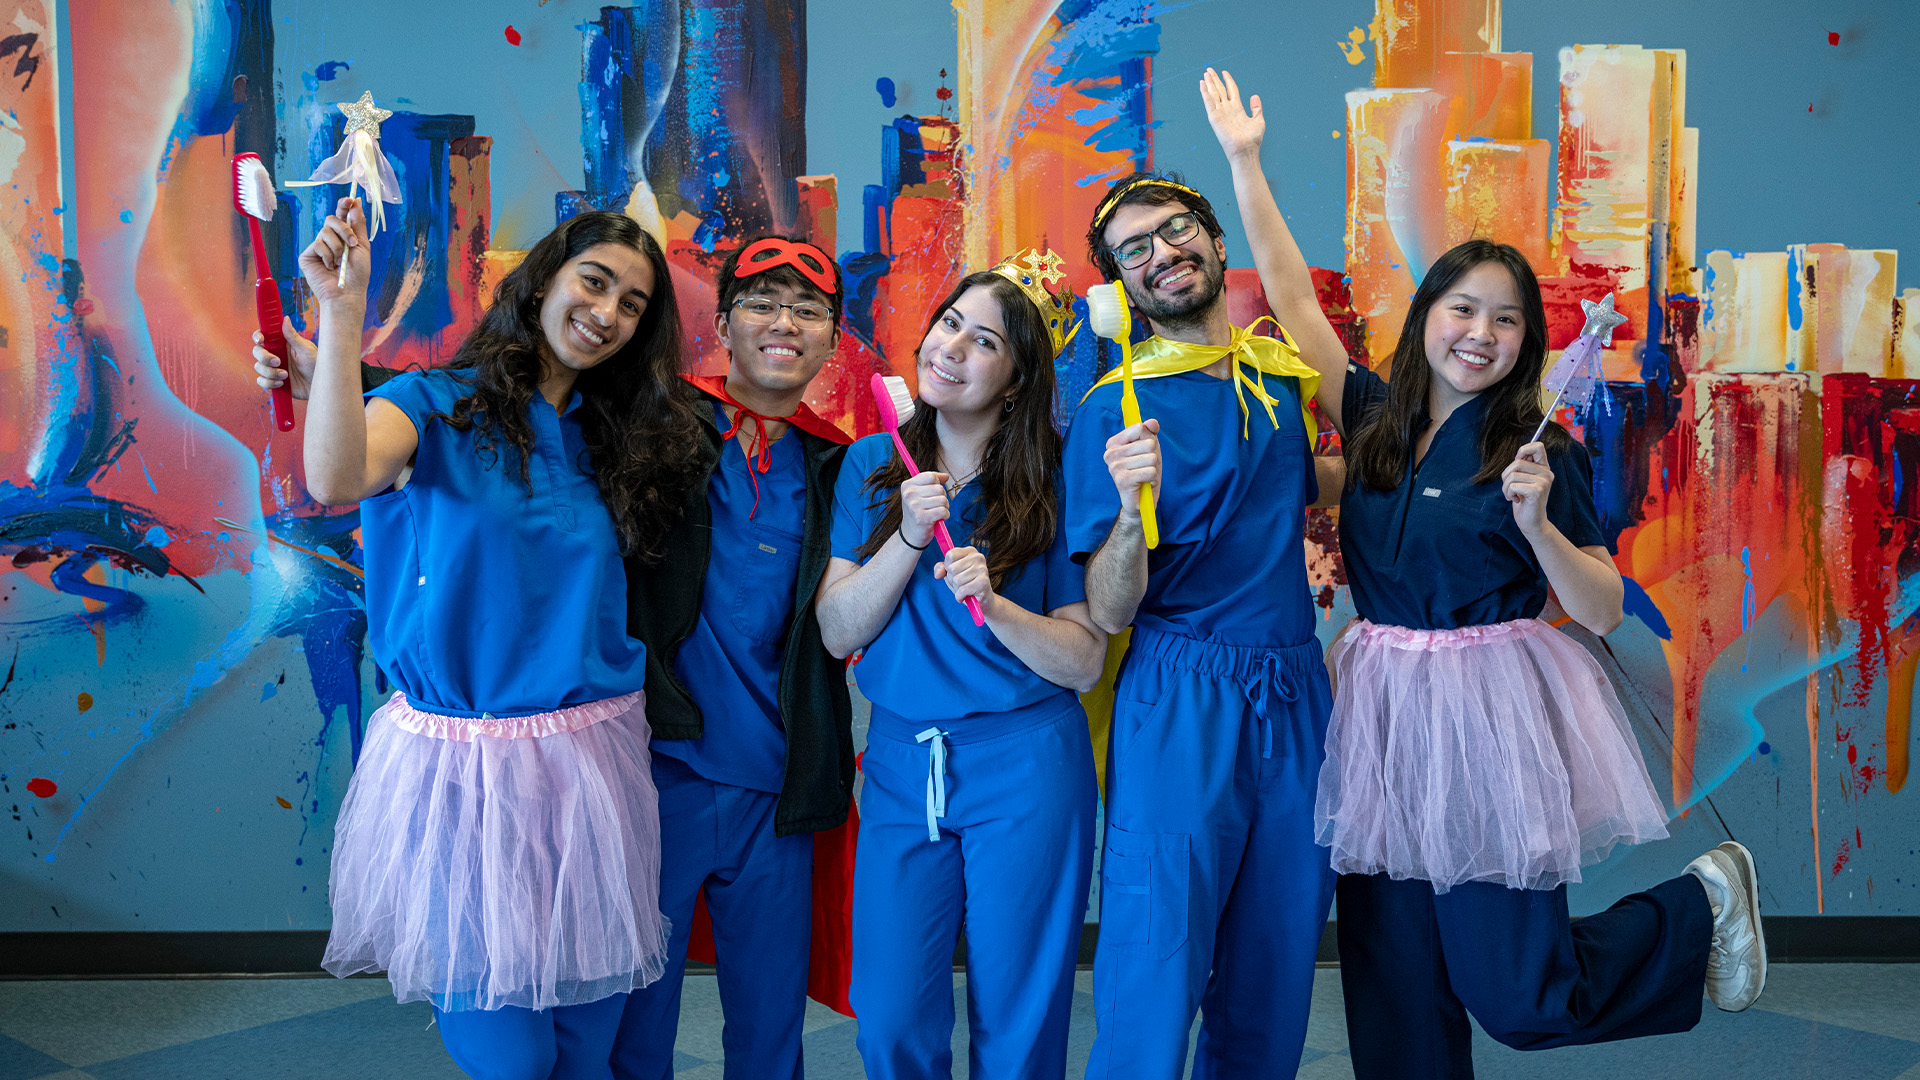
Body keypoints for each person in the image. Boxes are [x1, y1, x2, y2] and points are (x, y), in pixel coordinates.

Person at [1196, 67, 1767, 1080]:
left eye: (1506, 322)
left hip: (1490, 719)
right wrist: (1244, 160)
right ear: (1427, 315)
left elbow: (1595, 608)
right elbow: (1287, 292)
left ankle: (1700, 902)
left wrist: (1541, 525)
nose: (1482, 335)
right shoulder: (1374, 416)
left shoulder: (1538, 449)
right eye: (1465, 309)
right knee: (1395, 995)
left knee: (1520, 992)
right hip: (1377, 713)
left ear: (1526, 344)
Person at [280, 201, 701, 1080]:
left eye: (633, 304)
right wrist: (341, 312)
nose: (609, 311)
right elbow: (335, 475)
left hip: (594, 764)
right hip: (464, 774)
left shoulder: (609, 436)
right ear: (542, 279)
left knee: (590, 1048)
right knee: (511, 1055)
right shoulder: (430, 405)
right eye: (595, 280)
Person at [1065, 141, 1343, 1074]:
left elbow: (1310, 481)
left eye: (1173, 228)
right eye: (1132, 250)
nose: (1159, 253)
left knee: (1276, 959)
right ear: (1121, 286)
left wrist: (1451, 464)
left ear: (1215, 240)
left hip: (1297, 691)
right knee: (1155, 963)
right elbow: (1106, 610)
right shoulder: (1116, 410)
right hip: (1180, 692)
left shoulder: (1278, 379)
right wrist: (1129, 518)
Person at [815, 251, 1107, 1080]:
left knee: (1019, 1012)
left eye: (984, 342)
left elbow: (1084, 659)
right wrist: (908, 537)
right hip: (907, 763)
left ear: (1016, 380)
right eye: (950, 325)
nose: (952, 349)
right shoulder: (870, 467)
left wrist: (999, 603)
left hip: (1028, 764)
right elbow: (838, 632)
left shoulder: (1053, 479)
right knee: (891, 1014)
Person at [611, 236, 857, 1080]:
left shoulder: (844, 465)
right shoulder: (656, 421)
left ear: (832, 337)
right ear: (722, 321)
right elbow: (515, 409)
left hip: (779, 785)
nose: (783, 323)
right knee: (633, 1022)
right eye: (760, 302)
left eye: (807, 309)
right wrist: (335, 376)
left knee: (768, 1030)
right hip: (655, 769)